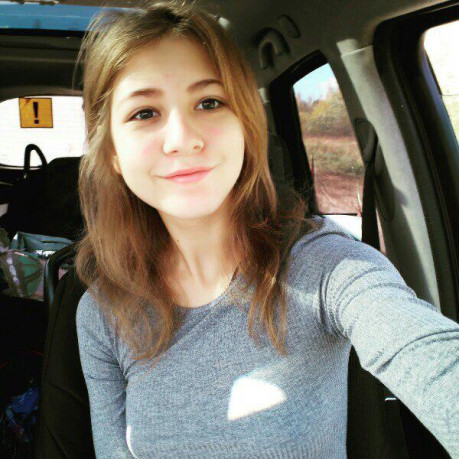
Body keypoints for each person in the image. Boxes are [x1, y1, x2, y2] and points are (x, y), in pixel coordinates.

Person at [74, 1, 459, 457]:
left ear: (245, 125)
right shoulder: (103, 314)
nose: (182, 139)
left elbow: (433, 357)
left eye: (209, 102)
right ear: (112, 154)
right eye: (144, 113)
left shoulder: (327, 267)